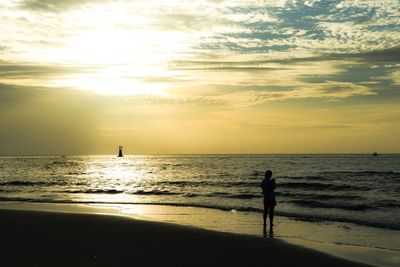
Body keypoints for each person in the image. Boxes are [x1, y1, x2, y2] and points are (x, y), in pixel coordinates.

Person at [260, 170, 276, 236]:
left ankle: (264, 222)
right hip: (271, 198)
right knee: (271, 211)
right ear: (270, 175)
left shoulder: (263, 181)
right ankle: (271, 223)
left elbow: (262, 187)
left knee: (265, 210)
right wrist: (273, 182)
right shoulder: (270, 181)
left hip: (266, 198)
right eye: (271, 174)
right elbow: (273, 188)